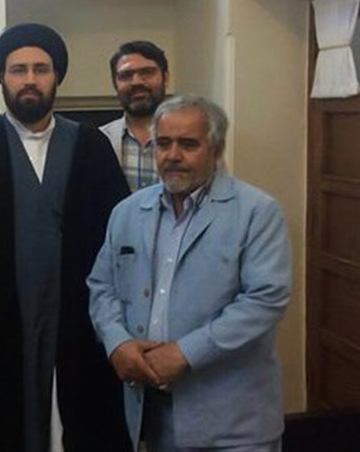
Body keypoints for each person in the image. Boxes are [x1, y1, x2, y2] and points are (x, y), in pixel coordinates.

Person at [0, 23, 132, 452]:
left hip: (77, 316)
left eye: (41, 69)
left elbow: (118, 233)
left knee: (79, 421)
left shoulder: (91, 146)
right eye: (18, 70)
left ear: (56, 77)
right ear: (2, 78)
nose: (29, 79)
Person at [89, 95, 292, 452]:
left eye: (188, 144)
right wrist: (117, 342)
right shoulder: (127, 212)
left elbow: (265, 300)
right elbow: (101, 285)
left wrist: (185, 353)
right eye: (164, 143)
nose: (173, 155)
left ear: (216, 149)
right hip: (153, 415)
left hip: (235, 424)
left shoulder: (257, 212)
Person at [100, 41, 169, 192]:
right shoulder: (98, 141)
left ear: (166, 78)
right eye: (126, 75)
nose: (137, 82)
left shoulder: (192, 140)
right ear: (115, 84)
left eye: (147, 72)